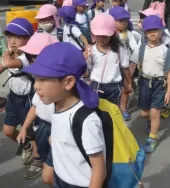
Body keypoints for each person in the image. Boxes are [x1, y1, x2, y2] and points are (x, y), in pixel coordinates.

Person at [22, 42, 106, 187]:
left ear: (68, 82)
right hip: (61, 178)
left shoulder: (86, 121)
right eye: (35, 78)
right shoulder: (55, 105)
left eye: (42, 79)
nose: (35, 85)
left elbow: (99, 170)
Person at [130, 15, 170, 153]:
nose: (152, 33)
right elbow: (133, 64)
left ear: (161, 31)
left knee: (155, 112)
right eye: (149, 31)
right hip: (144, 82)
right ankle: (151, 122)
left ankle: (152, 138)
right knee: (144, 113)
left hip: (159, 84)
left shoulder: (166, 51)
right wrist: (128, 81)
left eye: (155, 29)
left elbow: (169, 72)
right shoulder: (141, 48)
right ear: (144, 33)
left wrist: (168, 91)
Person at [17, 32, 58, 182]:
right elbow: (35, 106)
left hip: (58, 128)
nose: (34, 60)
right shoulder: (39, 80)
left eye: (38, 56)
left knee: (49, 175)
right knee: (48, 168)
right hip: (42, 126)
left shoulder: (60, 81)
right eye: (31, 56)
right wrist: (23, 128)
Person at [1, 18, 35, 169]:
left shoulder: (27, 57)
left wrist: (5, 54)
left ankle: (38, 158)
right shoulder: (12, 55)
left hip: (28, 99)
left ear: (29, 39)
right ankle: (27, 145)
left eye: (18, 38)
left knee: (33, 132)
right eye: (9, 37)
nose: (12, 42)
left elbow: (8, 64)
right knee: (8, 131)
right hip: (14, 97)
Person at [85, 13, 132, 106]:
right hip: (95, 86)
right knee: (96, 113)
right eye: (98, 36)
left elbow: (125, 67)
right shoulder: (91, 50)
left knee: (111, 114)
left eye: (105, 36)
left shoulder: (119, 48)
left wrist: (129, 82)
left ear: (112, 34)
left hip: (113, 87)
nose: (101, 39)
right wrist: (83, 61)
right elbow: (86, 72)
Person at [109, 6, 137, 121]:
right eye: (120, 21)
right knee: (115, 87)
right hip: (113, 64)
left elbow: (134, 47)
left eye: (126, 21)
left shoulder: (128, 33)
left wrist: (136, 60)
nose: (124, 23)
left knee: (126, 86)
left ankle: (123, 108)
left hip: (127, 64)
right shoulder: (109, 34)